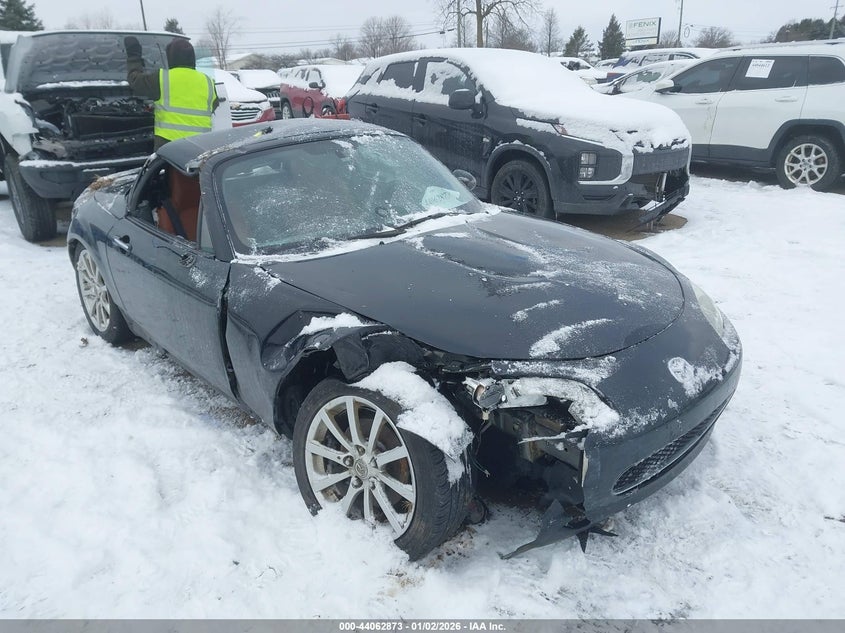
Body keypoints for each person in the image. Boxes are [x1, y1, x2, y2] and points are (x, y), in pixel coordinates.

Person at [124, 36, 217, 149]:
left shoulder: (162, 78)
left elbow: (135, 80)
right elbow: (213, 105)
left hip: (170, 148)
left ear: (171, 58)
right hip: (201, 146)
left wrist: (134, 55)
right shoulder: (208, 81)